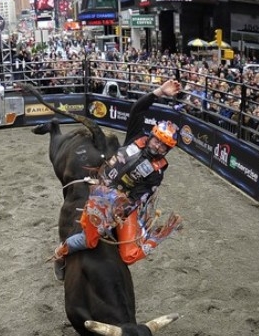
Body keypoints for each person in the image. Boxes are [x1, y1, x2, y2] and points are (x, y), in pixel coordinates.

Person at [52, 79, 183, 281]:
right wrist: (159, 92)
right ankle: (61, 252)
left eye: (163, 146)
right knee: (89, 240)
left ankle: (156, 234)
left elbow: (141, 196)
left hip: (122, 205)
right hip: (101, 188)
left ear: (168, 150)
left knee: (129, 255)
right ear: (152, 136)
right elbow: (137, 109)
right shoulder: (135, 137)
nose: (157, 147)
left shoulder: (157, 172)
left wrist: (118, 211)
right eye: (157, 140)